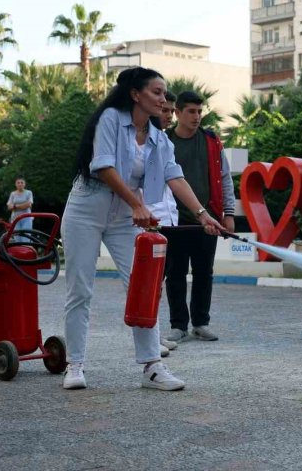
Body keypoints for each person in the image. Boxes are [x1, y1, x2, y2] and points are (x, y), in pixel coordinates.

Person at [61, 67, 224, 391]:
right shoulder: (110, 120)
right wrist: (136, 204)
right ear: (136, 94)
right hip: (86, 210)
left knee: (143, 285)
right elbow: (103, 166)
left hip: (123, 216)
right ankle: (75, 364)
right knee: (80, 289)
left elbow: (174, 177)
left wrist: (203, 215)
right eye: (157, 92)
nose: (164, 100)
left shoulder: (158, 138)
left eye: (165, 94)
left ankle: (152, 367)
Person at [163, 91, 236, 344]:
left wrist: (228, 213)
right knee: (175, 272)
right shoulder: (164, 141)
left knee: (205, 271)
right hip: (174, 221)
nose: (197, 116)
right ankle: (178, 325)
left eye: (199, 111)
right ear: (178, 113)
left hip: (209, 220)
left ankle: (201, 323)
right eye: (191, 111)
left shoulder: (212, 141)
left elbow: (224, 178)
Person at [146, 91, 180, 355]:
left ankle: (154, 335)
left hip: (169, 222)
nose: (169, 115)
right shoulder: (142, 141)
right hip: (149, 223)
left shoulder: (166, 142)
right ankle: (149, 340)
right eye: (165, 110)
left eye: (171, 110)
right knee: (149, 284)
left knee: (159, 283)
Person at [6, 177, 34, 242]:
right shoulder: (13, 194)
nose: (20, 184)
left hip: (26, 218)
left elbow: (29, 204)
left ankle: (25, 250)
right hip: (15, 218)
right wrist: (22, 205)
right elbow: (9, 206)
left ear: (24, 184)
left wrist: (15, 206)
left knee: (26, 236)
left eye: (22, 182)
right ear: (16, 184)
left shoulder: (29, 193)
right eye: (18, 183)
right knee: (17, 237)